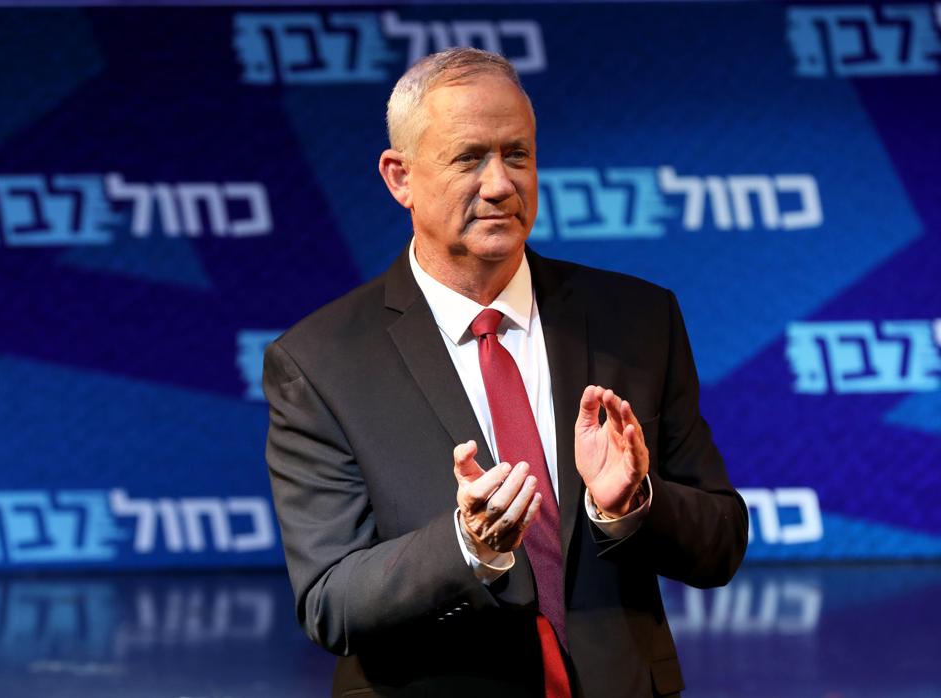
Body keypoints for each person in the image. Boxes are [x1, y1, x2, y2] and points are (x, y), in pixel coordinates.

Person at [263, 47, 747, 698]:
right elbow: (331, 601)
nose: (499, 184)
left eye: (516, 154)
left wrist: (632, 506)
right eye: (468, 159)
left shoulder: (637, 321)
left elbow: (721, 544)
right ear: (400, 178)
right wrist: (466, 546)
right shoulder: (320, 362)